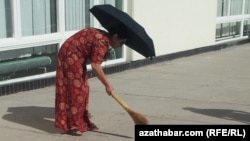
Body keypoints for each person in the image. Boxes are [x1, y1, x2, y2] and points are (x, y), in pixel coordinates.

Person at [55, 24, 127, 136]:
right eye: (122, 42)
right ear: (115, 36)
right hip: (69, 55)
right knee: (76, 91)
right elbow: (95, 66)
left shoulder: (103, 38)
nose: (121, 46)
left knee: (84, 89)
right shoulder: (102, 42)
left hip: (76, 56)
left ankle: (83, 121)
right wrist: (107, 84)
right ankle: (72, 125)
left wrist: (103, 55)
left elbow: (90, 51)